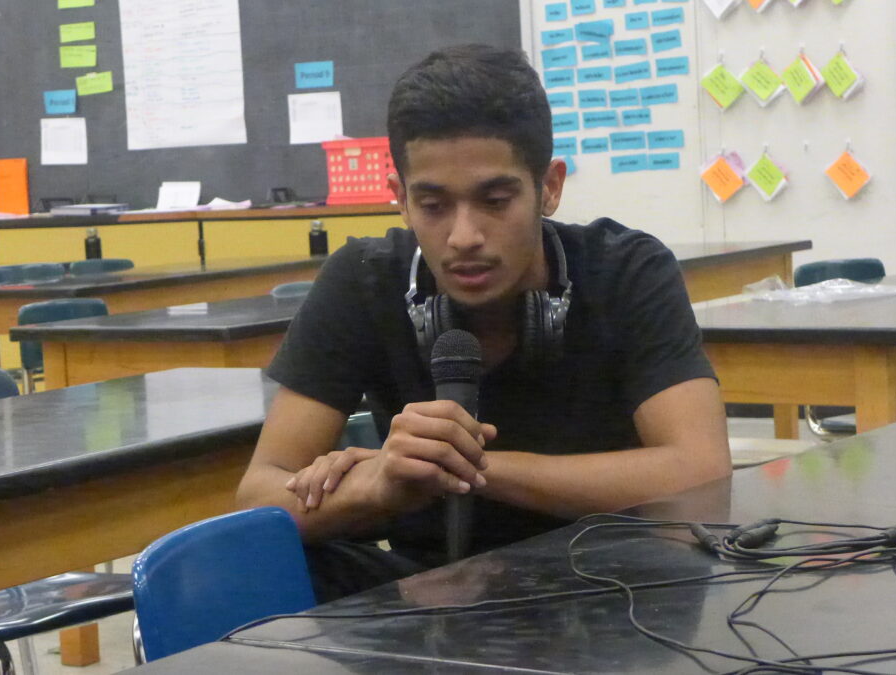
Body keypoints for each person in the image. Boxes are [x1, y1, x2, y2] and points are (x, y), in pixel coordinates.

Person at [236, 43, 730, 602]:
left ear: (549, 187)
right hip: (432, 592)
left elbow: (702, 471)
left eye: (495, 201)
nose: (464, 236)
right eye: (433, 205)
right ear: (400, 198)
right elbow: (258, 497)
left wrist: (467, 465)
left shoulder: (628, 271)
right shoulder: (363, 281)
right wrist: (377, 483)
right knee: (268, 572)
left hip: (611, 583)